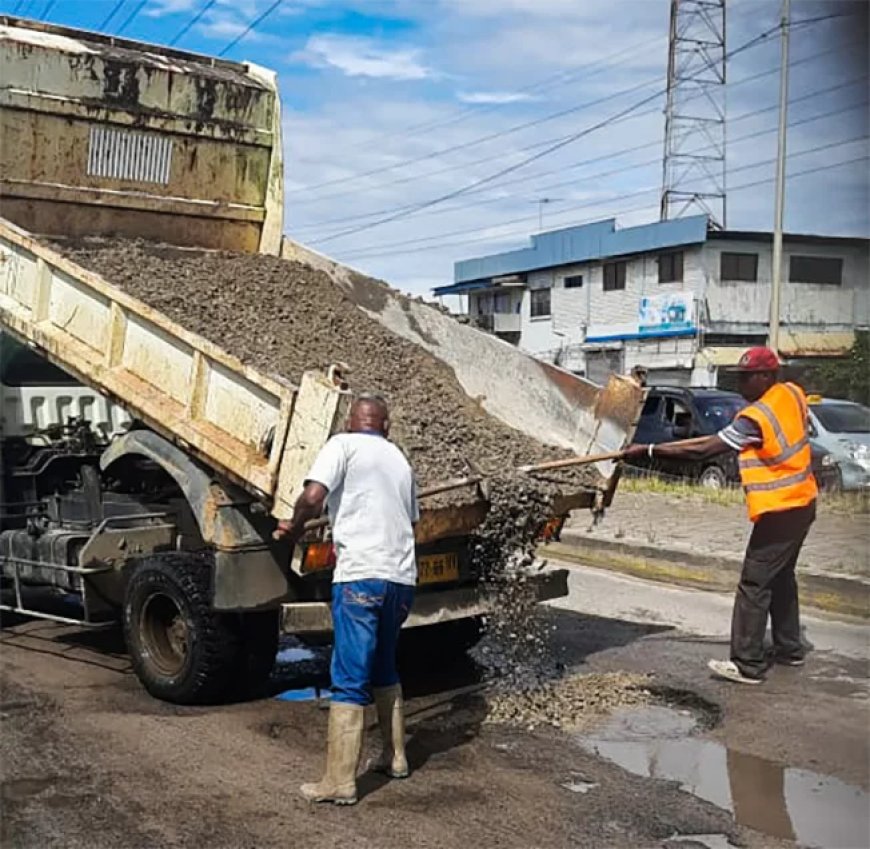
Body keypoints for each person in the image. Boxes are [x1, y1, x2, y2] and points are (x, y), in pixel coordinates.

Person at [623, 347, 817, 685]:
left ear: (767, 376)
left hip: (782, 509)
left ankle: (747, 665)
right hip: (803, 502)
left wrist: (649, 450)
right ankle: (789, 649)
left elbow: (704, 448)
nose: (740, 382)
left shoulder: (757, 417)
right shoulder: (792, 394)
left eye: (747, 377)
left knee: (754, 584)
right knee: (781, 578)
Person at [274, 394, 419, 804]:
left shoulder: (341, 446)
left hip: (361, 577)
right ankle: (396, 758)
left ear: (350, 422)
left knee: (349, 675)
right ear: (386, 426)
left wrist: (296, 526)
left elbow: (315, 496)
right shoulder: (400, 461)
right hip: (401, 578)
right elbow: (410, 523)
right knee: (384, 663)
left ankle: (339, 781)